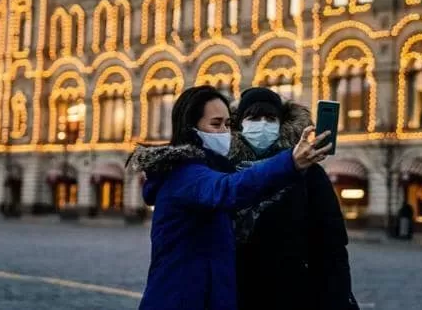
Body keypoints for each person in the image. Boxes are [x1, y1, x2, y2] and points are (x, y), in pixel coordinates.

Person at [126, 85, 332, 310]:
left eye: (227, 124)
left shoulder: (207, 168)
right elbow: (228, 189)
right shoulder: (186, 173)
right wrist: (290, 163)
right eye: (215, 124)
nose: (224, 132)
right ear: (190, 128)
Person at [229, 87, 358, 310]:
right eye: (253, 118)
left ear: (282, 124)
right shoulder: (224, 170)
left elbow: (331, 243)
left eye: (270, 118)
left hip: (295, 292)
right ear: (240, 123)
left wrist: (336, 295)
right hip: (237, 292)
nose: (262, 125)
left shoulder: (309, 173)